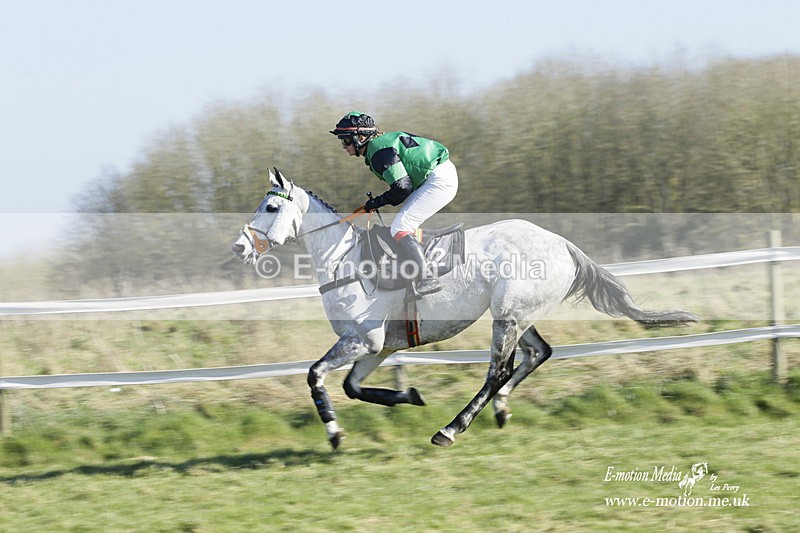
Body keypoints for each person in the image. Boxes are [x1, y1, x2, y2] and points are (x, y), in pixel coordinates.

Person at [330, 111, 459, 297]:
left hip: (439, 180)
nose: (343, 146)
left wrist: (377, 202)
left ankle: (426, 278)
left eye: (346, 141)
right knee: (404, 224)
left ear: (361, 137)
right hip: (438, 175)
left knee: (400, 226)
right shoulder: (381, 143)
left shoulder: (378, 150)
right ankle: (415, 272)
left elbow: (401, 189)